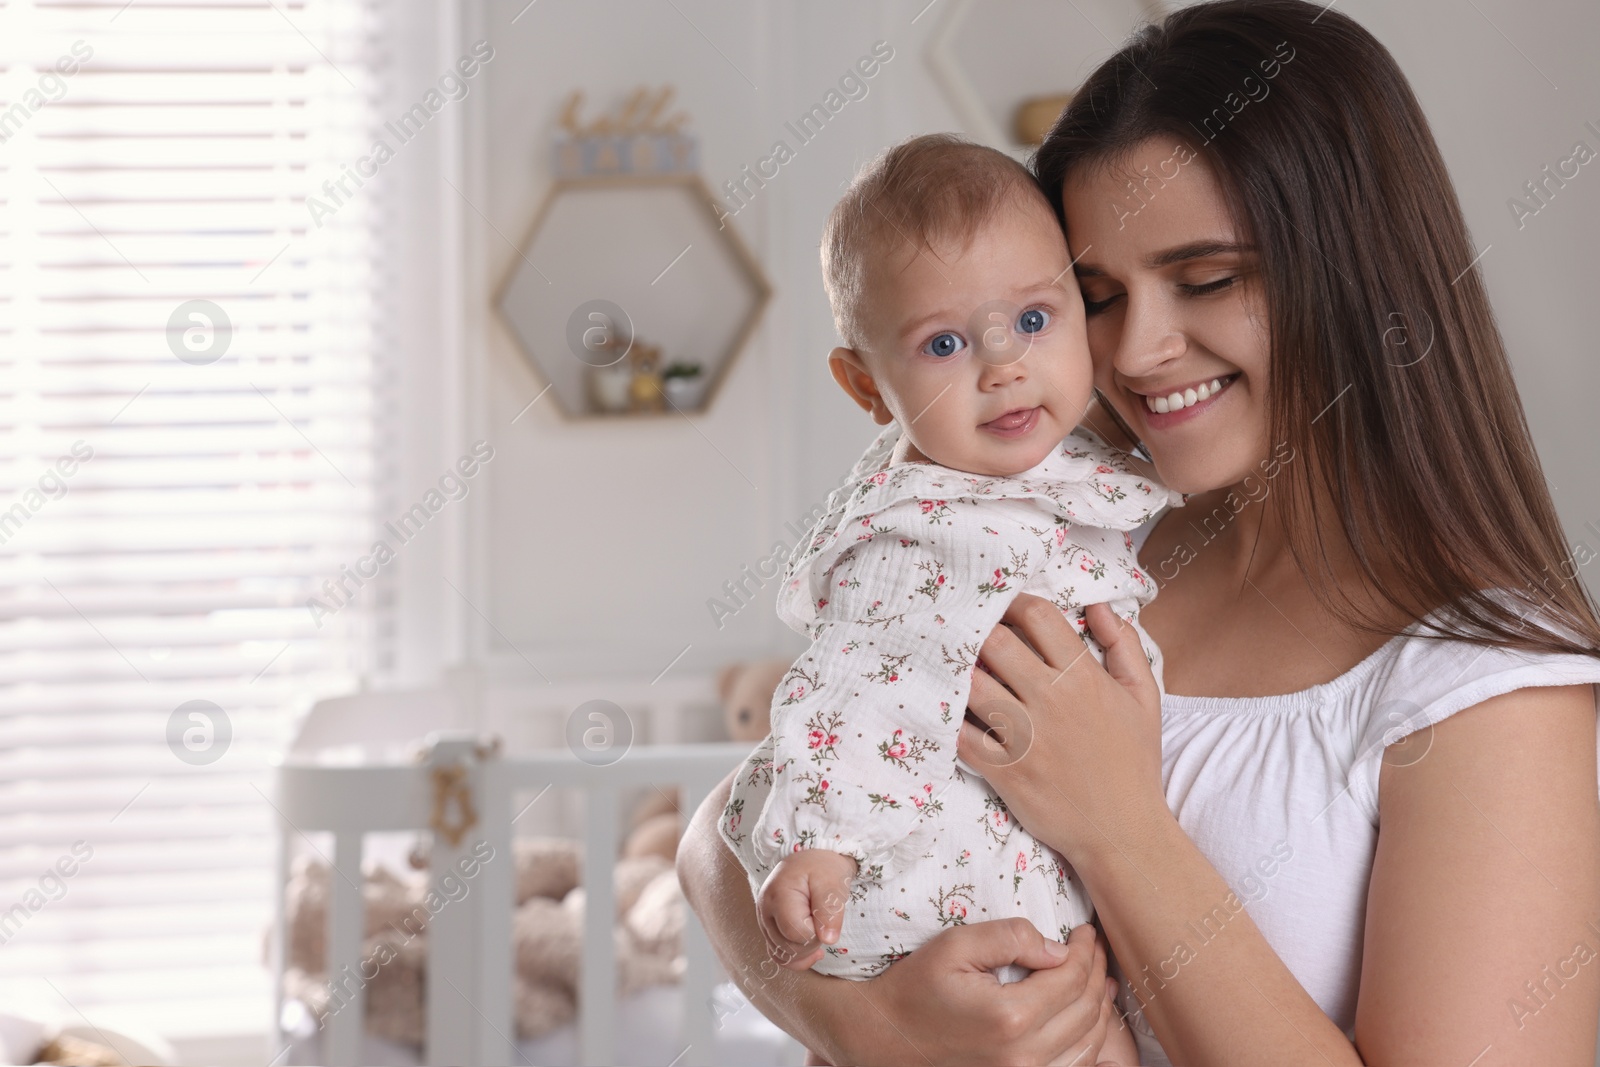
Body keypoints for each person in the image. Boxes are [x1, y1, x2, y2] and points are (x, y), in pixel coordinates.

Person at [678, 1, 1600, 1064]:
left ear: (1354, 271)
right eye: (1095, 296)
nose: (1141, 348)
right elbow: (728, 826)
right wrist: (866, 1023)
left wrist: (1117, 826)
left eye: (1205, 278)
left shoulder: (1487, 686)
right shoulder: (1076, 539)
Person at [719, 133, 1179, 1064]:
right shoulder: (912, 532)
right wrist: (817, 841)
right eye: (944, 343)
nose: (1003, 364)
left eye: (1036, 321)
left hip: (1040, 879)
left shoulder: (1068, 472)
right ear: (866, 386)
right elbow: (843, 686)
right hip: (943, 883)